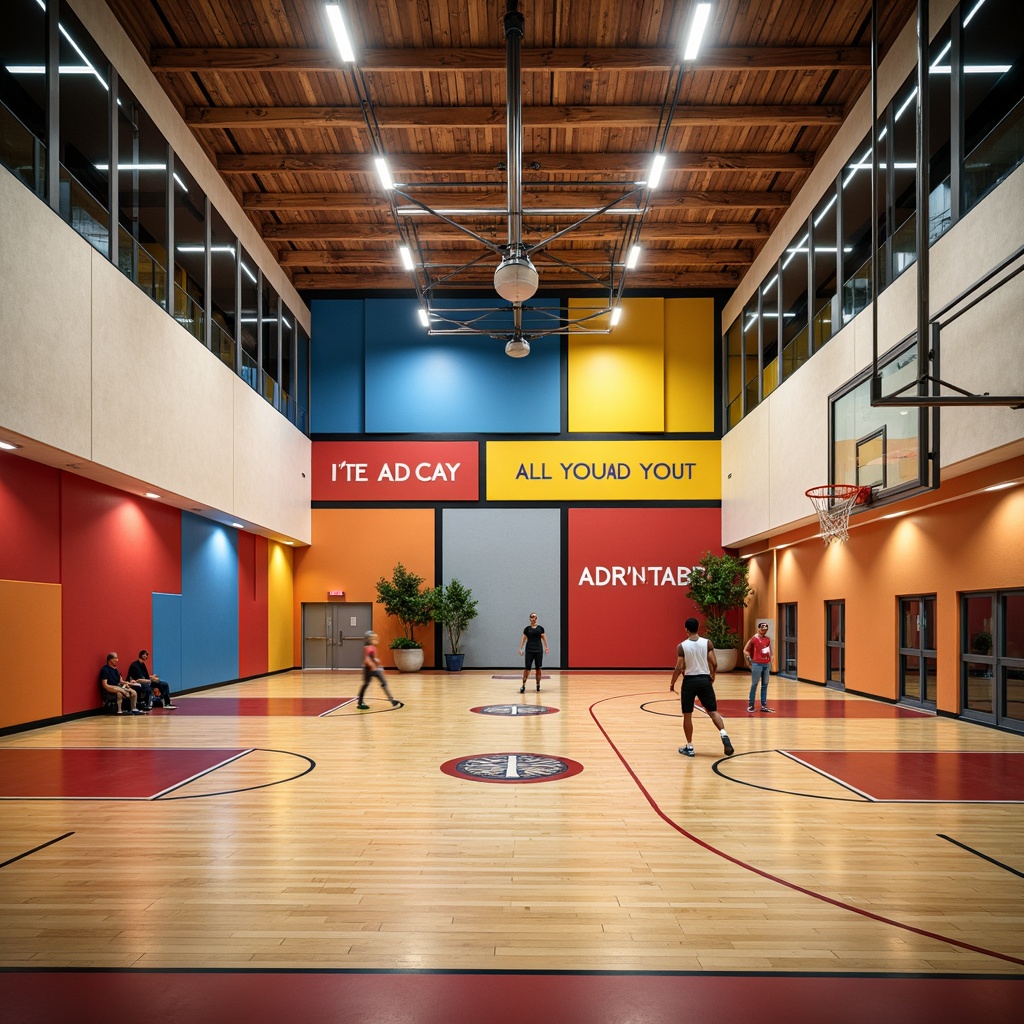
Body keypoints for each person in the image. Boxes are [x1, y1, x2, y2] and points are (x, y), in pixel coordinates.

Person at [668, 618, 734, 758]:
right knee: (713, 711)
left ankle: (690, 746)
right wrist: (712, 674)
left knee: (687, 714)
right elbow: (714, 662)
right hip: (704, 680)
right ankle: (723, 734)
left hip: (690, 682)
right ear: (698, 628)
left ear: (686, 629)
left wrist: (672, 683)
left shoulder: (682, 646)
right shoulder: (707, 643)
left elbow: (679, 667)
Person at [357, 632, 400, 709]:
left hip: (373, 669)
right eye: (374, 639)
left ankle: (392, 700)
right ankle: (360, 702)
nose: (377, 640)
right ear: (370, 640)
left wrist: (377, 662)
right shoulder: (368, 648)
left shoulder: (373, 648)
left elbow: (372, 658)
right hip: (368, 669)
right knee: (366, 684)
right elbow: (367, 659)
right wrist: (372, 665)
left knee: (383, 682)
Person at [743, 622, 775, 713]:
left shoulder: (767, 640)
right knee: (754, 684)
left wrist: (771, 662)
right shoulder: (754, 639)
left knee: (765, 685)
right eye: (762, 630)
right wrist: (749, 661)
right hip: (757, 664)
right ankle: (751, 704)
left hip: (766, 664)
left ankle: (764, 705)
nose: (764, 632)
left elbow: (769, 651)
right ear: (759, 629)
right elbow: (745, 650)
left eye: (765, 630)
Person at [518, 612, 550, 693]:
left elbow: (544, 638)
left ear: (537, 618)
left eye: (535, 617)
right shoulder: (527, 629)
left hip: (538, 650)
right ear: (530, 618)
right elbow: (523, 639)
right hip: (529, 650)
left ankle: (538, 684)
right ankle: (523, 685)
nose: (533, 618)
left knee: (538, 668)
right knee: (527, 668)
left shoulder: (540, 629)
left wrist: (546, 647)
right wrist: (520, 648)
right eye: (532, 617)